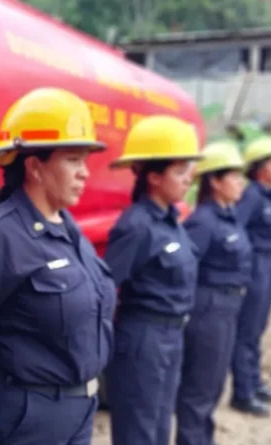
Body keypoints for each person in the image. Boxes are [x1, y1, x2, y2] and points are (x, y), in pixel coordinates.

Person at [0, 87, 117, 445]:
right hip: (26, 417)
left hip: (79, 409)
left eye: (85, 161)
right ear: (35, 167)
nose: (84, 173)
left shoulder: (68, 227)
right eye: (73, 160)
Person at [102, 115, 203, 445]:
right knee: (139, 428)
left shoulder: (172, 220)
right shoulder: (136, 226)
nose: (188, 179)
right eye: (179, 171)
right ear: (154, 177)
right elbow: (104, 286)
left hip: (172, 335)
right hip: (143, 338)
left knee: (160, 424)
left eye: (188, 170)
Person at [174, 140, 252, 445]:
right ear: (215, 182)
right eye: (233, 176)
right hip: (208, 311)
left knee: (214, 386)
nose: (239, 183)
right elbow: (184, 269)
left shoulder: (228, 216)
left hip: (228, 309)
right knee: (199, 390)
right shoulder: (203, 222)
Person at [229, 136, 271, 417]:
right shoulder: (251, 196)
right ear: (260, 168)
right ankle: (243, 392)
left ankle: (254, 381)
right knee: (247, 329)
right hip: (256, 265)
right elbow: (237, 230)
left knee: (258, 327)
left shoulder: (270, 194)